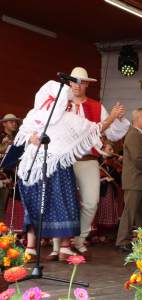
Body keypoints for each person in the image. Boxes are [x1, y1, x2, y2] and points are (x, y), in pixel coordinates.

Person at [14, 80, 109, 261]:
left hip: (33, 167)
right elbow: (93, 129)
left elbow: (23, 135)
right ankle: (64, 247)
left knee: (35, 204)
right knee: (63, 203)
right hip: (56, 167)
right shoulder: (65, 117)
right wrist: (111, 118)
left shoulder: (34, 114)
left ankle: (31, 248)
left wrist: (31, 138)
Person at [66, 67, 129, 258]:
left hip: (89, 159)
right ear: (69, 82)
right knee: (64, 201)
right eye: (74, 81)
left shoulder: (95, 106)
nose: (77, 85)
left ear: (86, 84)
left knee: (91, 202)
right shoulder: (61, 105)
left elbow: (111, 132)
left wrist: (116, 118)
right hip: (65, 160)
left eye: (81, 81)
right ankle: (59, 246)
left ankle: (79, 239)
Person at [116, 108, 142, 251]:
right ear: (137, 119)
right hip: (135, 180)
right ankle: (122, 241)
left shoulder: (140, 135)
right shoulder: (133, 135)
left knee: (141, 213)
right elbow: (139, 160)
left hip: (141, 180)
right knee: (130, 211)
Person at [0, 114, 20, 220]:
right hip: (2, 178)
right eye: (11, 121)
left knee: (5, 208)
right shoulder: (1, 137)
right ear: (4, 124)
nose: (14, 124)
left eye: (15, 122)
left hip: (11, 178)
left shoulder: (17, 140)